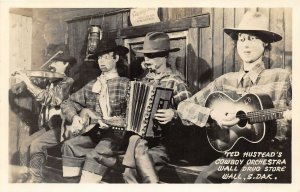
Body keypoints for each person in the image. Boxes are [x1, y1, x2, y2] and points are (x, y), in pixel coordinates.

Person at [177, 11, 292, 183]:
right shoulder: (224, 81)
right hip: (234, 154)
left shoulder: (282, 77)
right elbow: (183, 107)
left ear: (265, 43)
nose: (245, 45)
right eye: (242, 39)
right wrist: (213, 114)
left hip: (268, 156)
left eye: (252, 38)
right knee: (203, 180)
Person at [122, 32, 192, 183]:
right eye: (146, 56)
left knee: (133, 171)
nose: (147, 60)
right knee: (129, 171)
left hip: (166, 145)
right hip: (141, 143)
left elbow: (191, 116)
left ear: (165, 56)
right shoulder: (143, 80)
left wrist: (173, 114)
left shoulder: (176, 82)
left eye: (152, 56)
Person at [60, 38, 130, 183]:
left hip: (116, 138)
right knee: (69, 146)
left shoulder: (125, 84)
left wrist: (114, 122)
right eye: (99, 57)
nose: (101, 61)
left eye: (106, 57)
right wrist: (74, 117)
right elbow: (68, 102)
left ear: (116, 58)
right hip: (95, 134)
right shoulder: (93, 84)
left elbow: (130, 116)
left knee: (95, 155)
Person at [13, 44, 76, 183]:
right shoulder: (50, 80)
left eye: (56, 62)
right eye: (51, 61)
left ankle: (36, 179)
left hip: (62, 127)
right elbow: (36, 80)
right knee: (24, 144)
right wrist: (21, 84)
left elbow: (51, 99)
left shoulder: (67, 82)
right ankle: (25, 174)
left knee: (36, 145)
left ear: (66, 64)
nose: (52, 65)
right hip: (49, 126)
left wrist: (27, 82)